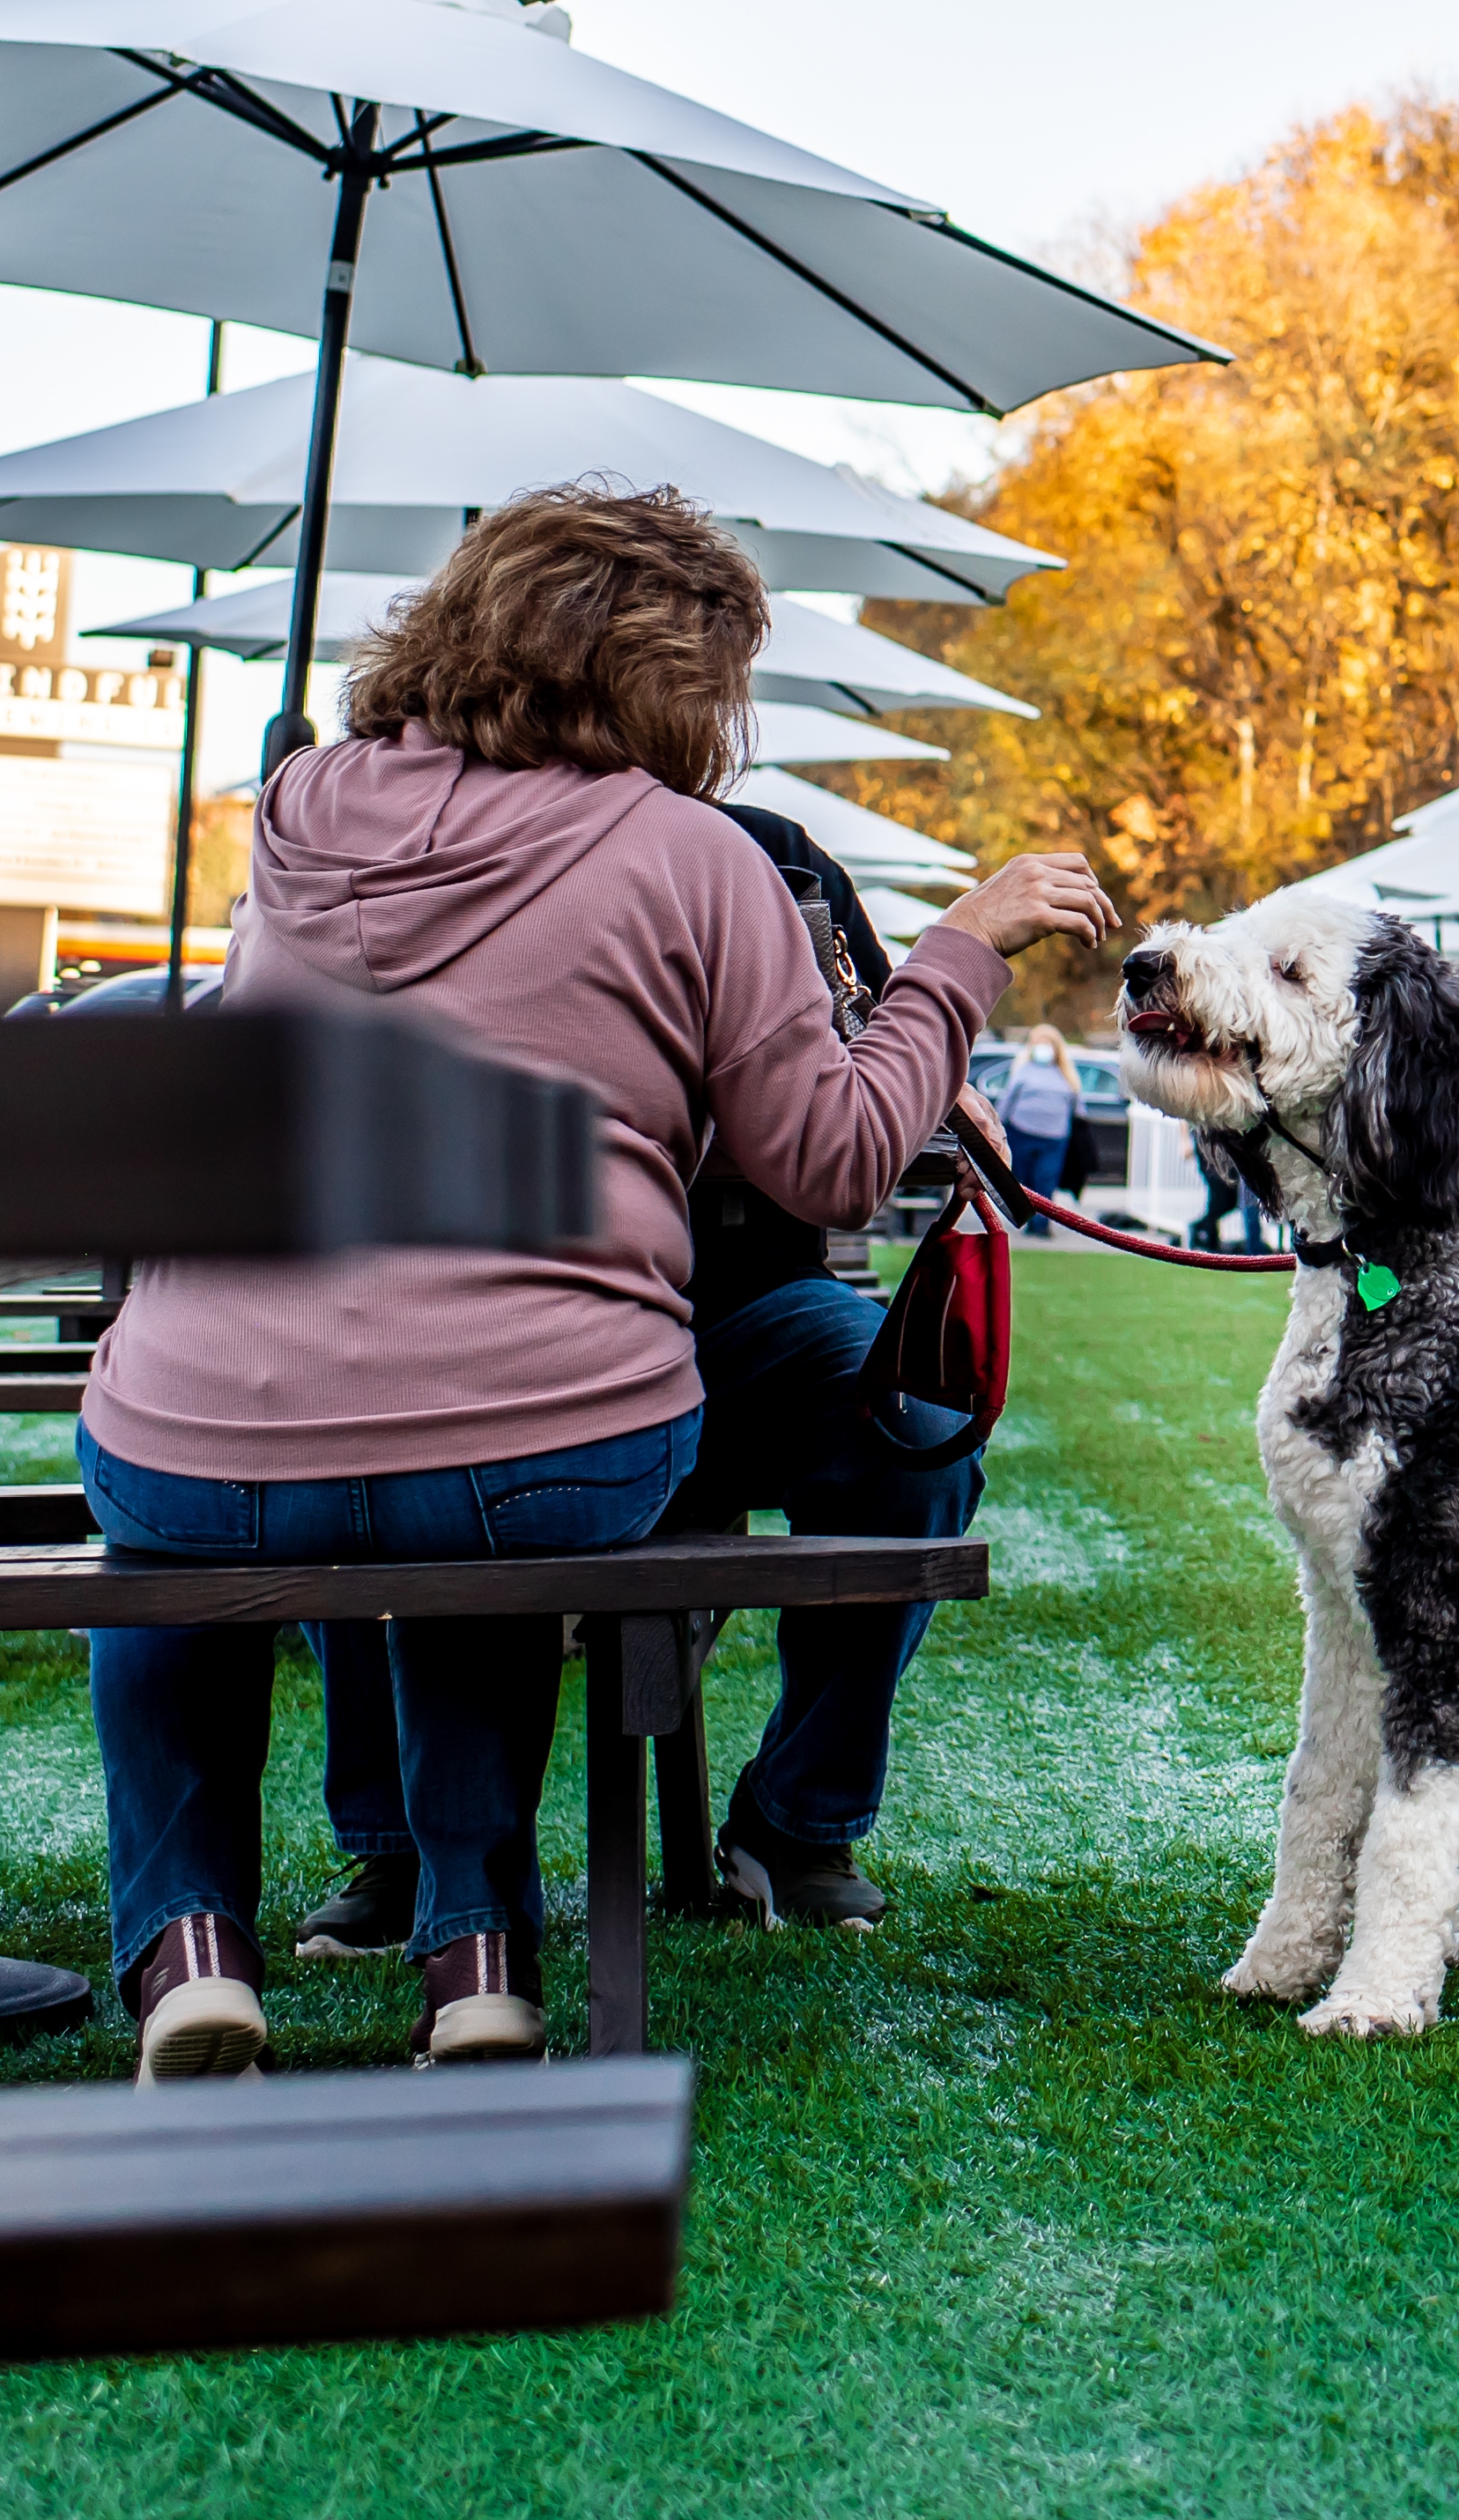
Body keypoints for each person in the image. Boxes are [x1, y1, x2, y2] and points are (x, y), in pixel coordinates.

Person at [80, 489, 1115, 2082]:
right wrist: (955, 962)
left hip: (209, 1431)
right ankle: (478, 1958)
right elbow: (834, 1160)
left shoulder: (299, 812)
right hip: (533, 1444)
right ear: (667, 675)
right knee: (488, 1459)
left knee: (186, 1511)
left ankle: (191, 1944)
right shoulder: (695, 854)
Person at [292, 795, 998, 1959]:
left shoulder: (773, 850)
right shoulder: (462, 838)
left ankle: (798, 1817)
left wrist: (929, 1059)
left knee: (914, 1428)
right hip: (496, 1314)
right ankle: (400, 1840)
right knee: (359, 1426)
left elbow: (866, 1092)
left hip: (744, 1304)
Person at [998, 1020, 1082, 1237]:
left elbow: (1077, 1107)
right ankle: (1027, 1217)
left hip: (1054, 1137)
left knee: (1046, 1178)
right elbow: (1007, 1100)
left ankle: (1042, 1224)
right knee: (1023, 1178)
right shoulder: (1023, 1071)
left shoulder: (1066, 1075)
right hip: (1022, 1132)